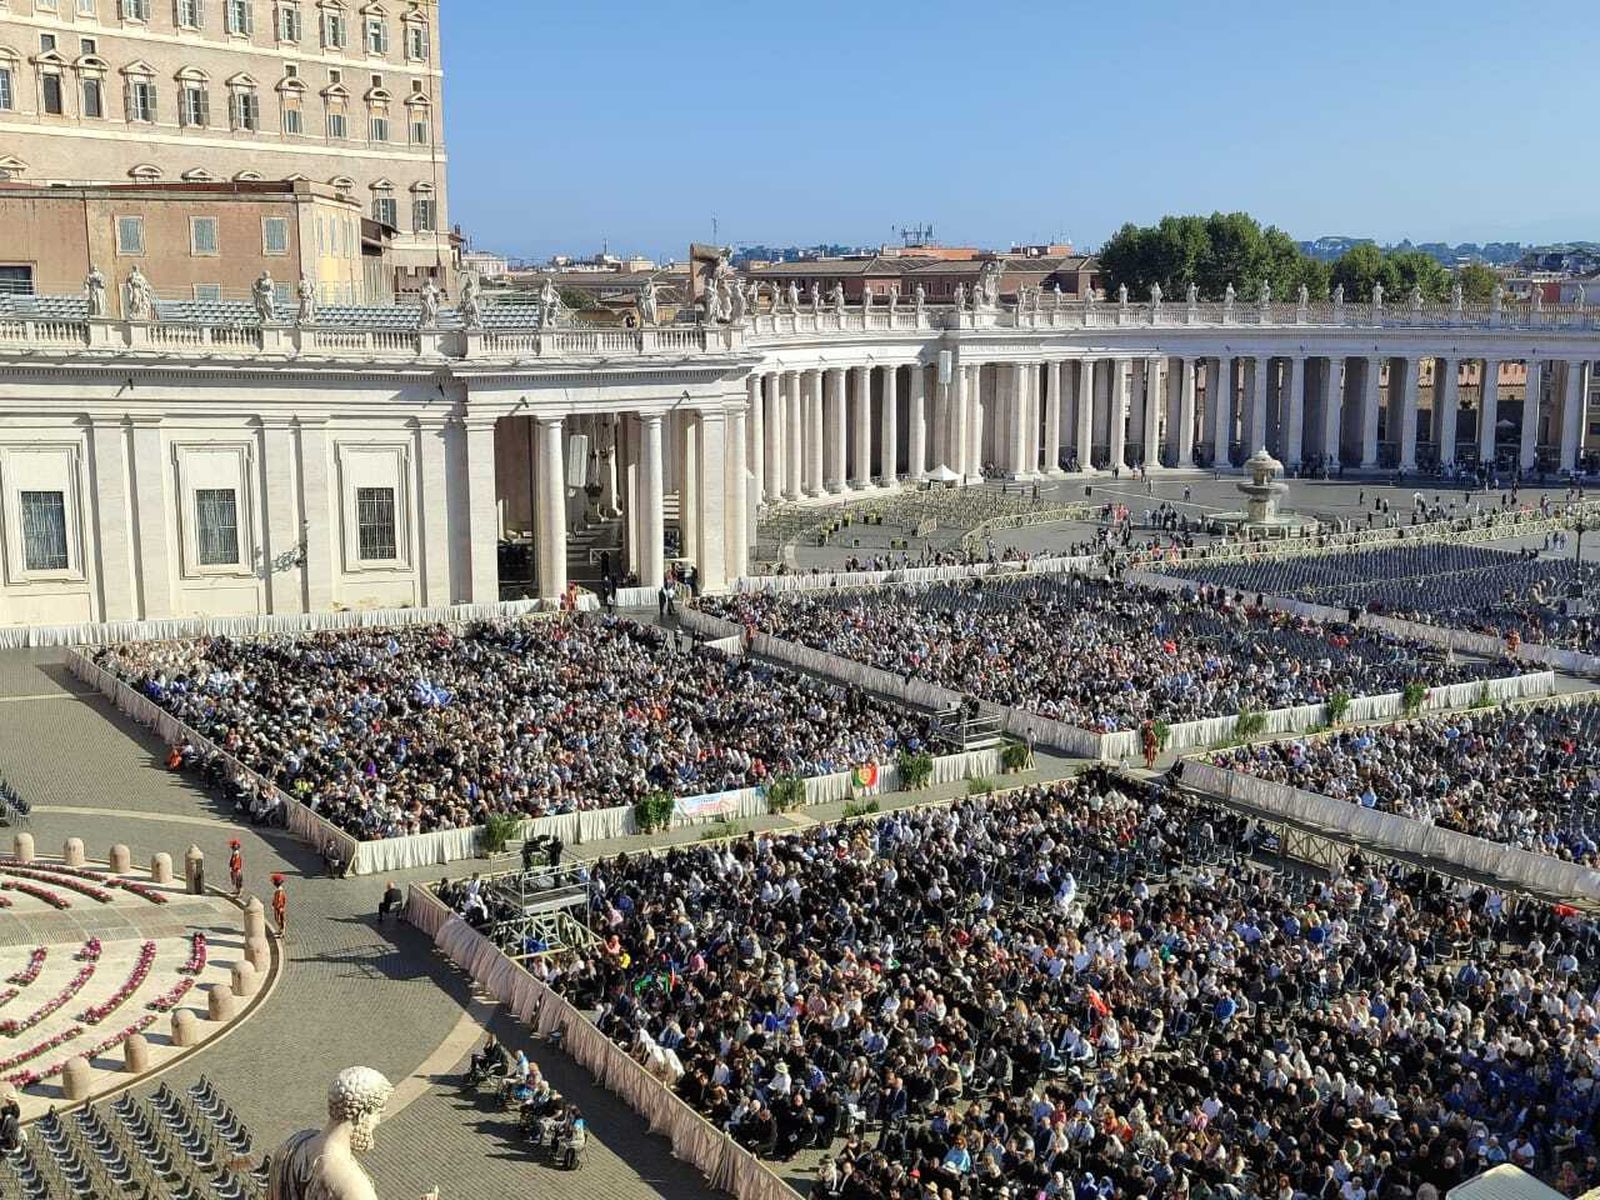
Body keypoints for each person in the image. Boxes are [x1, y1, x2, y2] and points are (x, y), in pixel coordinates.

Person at [271, 873, 288, 939]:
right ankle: (280, 930)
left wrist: (277, 907)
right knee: (278, 919)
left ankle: (282, 932)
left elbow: (279, 900)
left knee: (280, 920)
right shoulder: (278, 890)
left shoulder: (279, 891)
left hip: (279, 908)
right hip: (278, 908)